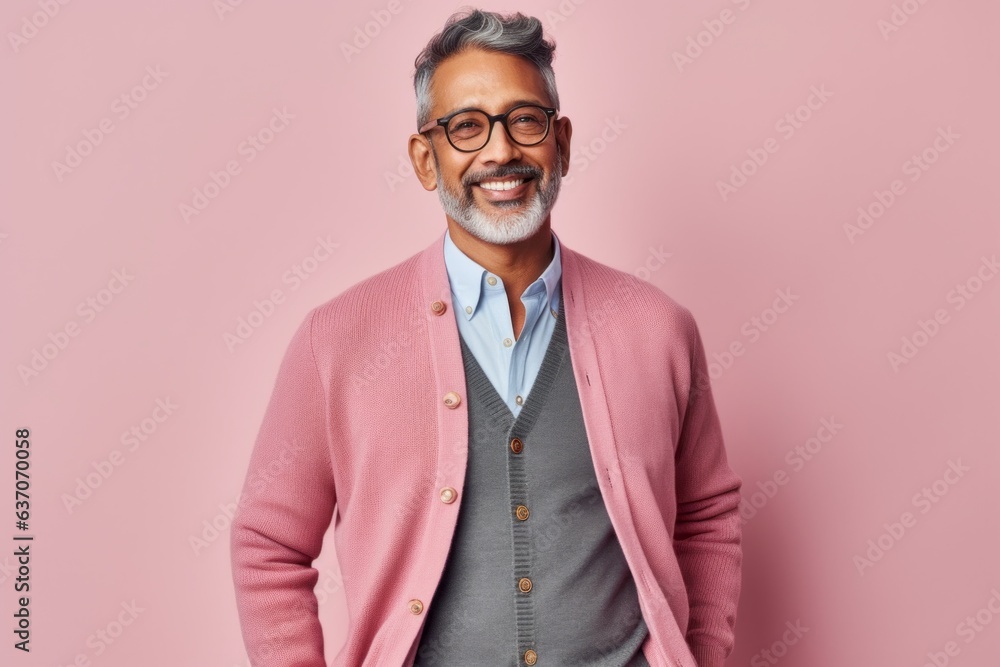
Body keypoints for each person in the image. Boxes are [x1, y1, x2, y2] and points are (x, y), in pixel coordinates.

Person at [230, 8, 742, 667]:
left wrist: (697, 656)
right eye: (466, 127)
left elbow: (705, 515)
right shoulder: (339, 341)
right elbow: (268, 540)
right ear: (425, 157)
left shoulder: (657, 328)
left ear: (560, 142)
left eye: (523, 120)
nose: (500, 151)